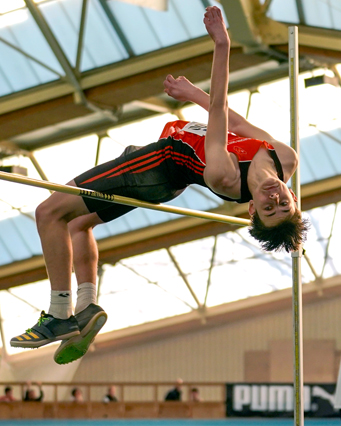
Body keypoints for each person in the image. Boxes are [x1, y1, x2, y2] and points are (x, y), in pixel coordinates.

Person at [10, 6, 308, 365]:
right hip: (160, 174)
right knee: (76, 224)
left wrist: (222, 44)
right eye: (283, 205)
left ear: (251, 208)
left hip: (156, 167)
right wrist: (192, 94)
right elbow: (239, 125)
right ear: (293, 196)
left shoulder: (225, 176)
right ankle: (86, 308)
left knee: (49, 212)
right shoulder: (286, 158)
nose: (273, 199)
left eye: (268, 209)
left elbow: (218, 112)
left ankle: (58, 315)